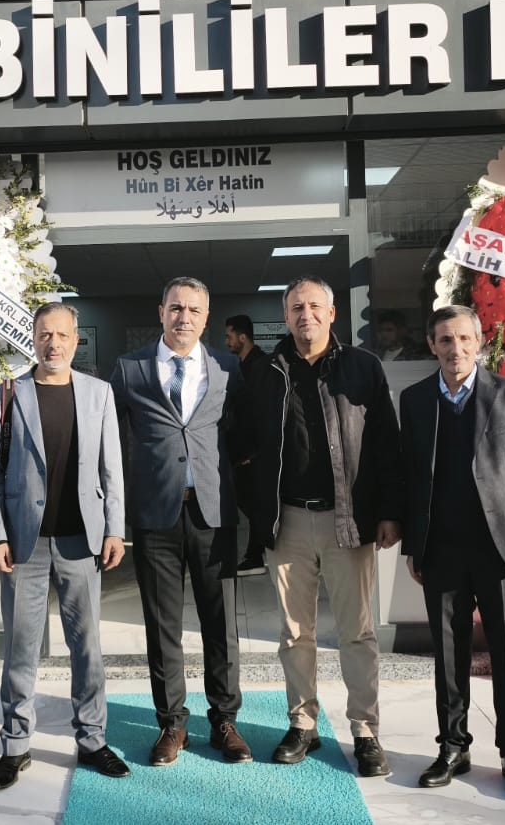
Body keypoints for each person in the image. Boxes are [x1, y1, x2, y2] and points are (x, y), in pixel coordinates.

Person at [398, 304, 505, 800]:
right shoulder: (414, 400)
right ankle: (453, 747)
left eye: (465, 338)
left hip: (502, 548)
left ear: (479, 341)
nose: (456, 348)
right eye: (446, 340)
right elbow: (411, 478)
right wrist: (413, 547)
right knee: (449, 656)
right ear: (432, 345)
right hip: (442, 547)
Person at [248, 275, 402, 778]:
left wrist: (388, 511)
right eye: (296, 307)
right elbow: (245, 447)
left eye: (315, 306)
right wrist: (258, 511)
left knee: (357, 632)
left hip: (348, 518)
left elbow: (385, 442)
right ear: (285, 316)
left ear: (332, 313)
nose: (305, 315)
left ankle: (365, 731)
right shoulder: (265, 371)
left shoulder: (362, 366)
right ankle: (303, 724)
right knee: (295, 633)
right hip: (288, 519)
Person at [0, 301, 130, 791]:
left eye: (63, 335)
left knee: (87, 647)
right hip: (23, 543)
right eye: (45, 334)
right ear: (33, 337)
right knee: (20, 648)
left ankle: (92, 739)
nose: (54, 344)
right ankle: (15, 746)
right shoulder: (7, 394)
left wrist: (114, 528)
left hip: (81, 540)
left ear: (75, 340)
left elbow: (112, 467)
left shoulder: (98, 393)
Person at [110, 276, 252, 766]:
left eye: (193, 310)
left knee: (221, 625)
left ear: (206, 318)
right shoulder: (130, 369)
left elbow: (240, 435)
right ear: (161, 312)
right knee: (162, 625)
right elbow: (108, 440)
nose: (183, 317)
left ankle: (224, 720)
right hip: (156, 516)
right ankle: (172, 724)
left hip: (213, 513)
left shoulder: (229, 368)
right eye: (175, 308)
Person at [224, 314, 270, 574]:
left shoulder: (260, 365)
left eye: (229, 336)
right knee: (251, 503)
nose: (227, 341)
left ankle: (257, 554)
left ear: (243, 337)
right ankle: (256, 554)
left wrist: (256, 451)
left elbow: (261, 411)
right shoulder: (241, 365)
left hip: (252, 451)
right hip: (241, 449)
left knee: (253, 503)